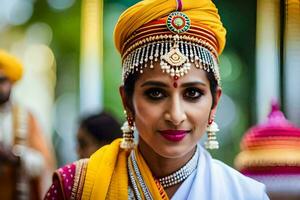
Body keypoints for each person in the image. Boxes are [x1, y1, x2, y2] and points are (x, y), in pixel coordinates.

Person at [45, 0, 270, 199]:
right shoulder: (75, 188)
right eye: (156, 93)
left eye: (192, 93)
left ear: (214, 102)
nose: (175, 115)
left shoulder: (244, 194)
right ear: (127, 101)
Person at [0, 49, 56, 199]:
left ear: (12, 82)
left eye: (2, 80)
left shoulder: (27, 117)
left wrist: (15, 157)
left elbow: (43, 164)